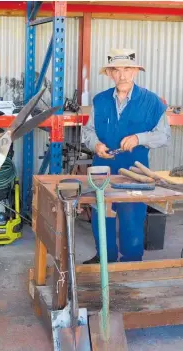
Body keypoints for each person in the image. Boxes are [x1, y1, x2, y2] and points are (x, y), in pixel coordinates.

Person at [82, 48, 171, 264]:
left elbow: (163, 136)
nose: (122, 75)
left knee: (131, 218)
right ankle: (105, 258)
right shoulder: (100, 100)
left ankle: (131, 264)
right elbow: (88, 131)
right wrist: (96, 144)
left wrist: (139, 138)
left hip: (134, 173)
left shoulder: (152, 102)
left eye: (127, 69)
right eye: (117, 70)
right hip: (102, 170)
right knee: (101, 217)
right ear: (110, 73)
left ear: (136, 72)